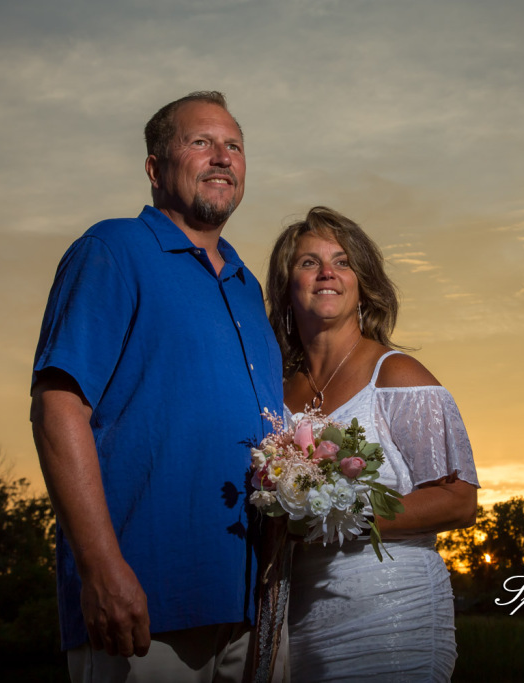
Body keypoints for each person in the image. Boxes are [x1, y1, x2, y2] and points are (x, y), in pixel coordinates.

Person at [30, 91, 283, 682]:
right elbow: (57, 406)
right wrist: (100, 567)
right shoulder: (114, 249)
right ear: (154, 167)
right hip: (146, 602)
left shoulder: (247, 285)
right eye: (200, 142)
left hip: (250, 609)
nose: (222, 157)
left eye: (234, 146)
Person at [265, 206, 479, 682]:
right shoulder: (272, 393)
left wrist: (340, 516)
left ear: (362, 284)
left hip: (392, 613)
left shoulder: (399, 376)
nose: (326, 273)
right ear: (286, 288)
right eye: (308, 263)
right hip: (296, 622)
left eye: (342, 262)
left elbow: (460, 502)